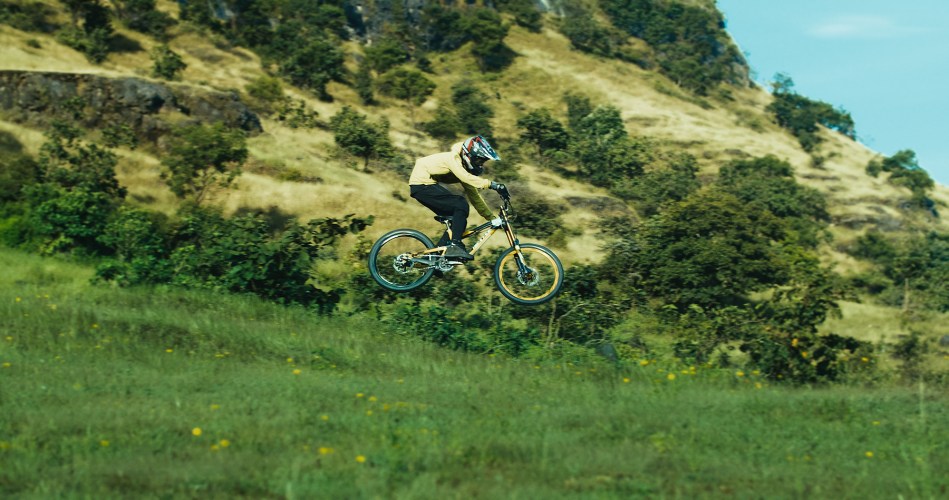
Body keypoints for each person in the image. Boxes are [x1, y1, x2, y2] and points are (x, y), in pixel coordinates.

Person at [409, 135, 509, 260]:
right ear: (470, 155)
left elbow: (474, 196)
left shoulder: (462, 167)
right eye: (480, 161)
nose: (481, 164)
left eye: (483, 162)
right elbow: (466, 177)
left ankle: (434, 259)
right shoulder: (453, 159)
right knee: (460, 204)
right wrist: (493, 185)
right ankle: (455, 246)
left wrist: (491, 218)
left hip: (427, 185)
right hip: (421, 184)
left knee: (459, 221)